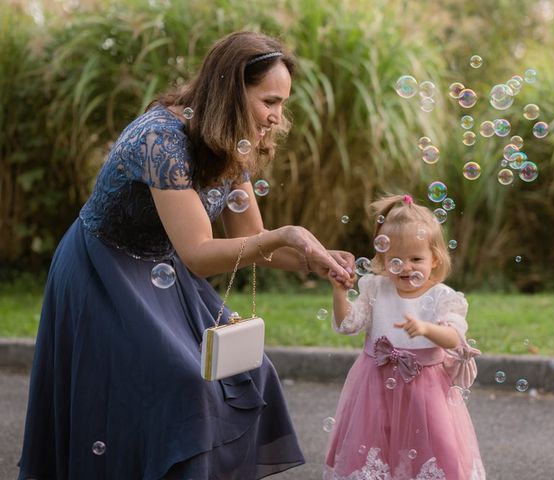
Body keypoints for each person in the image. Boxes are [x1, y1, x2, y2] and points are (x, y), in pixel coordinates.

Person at [17, 31, 354, 480]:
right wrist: (286, 234)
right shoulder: (161, 140)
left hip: (161, 270)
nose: (277, 117)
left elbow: (253, 242)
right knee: (183, 385)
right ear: (233, 91)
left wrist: (316, 258)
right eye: (269, 101)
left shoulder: (235, 141)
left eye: (282, 104)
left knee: (249, 373)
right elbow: (198, 253)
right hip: (102, 270)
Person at [324, 194, 485, 480]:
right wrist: (339, 292)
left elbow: (453, 338)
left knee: (432, 446)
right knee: (376, 447)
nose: (407, 267)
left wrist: (426, 329)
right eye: (396, 259)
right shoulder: (375, 288)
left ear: (434, 259)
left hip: (426, 388)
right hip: (375, 386)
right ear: (383, 258)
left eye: (416, 259)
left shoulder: (442, 297)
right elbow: (348, 324)